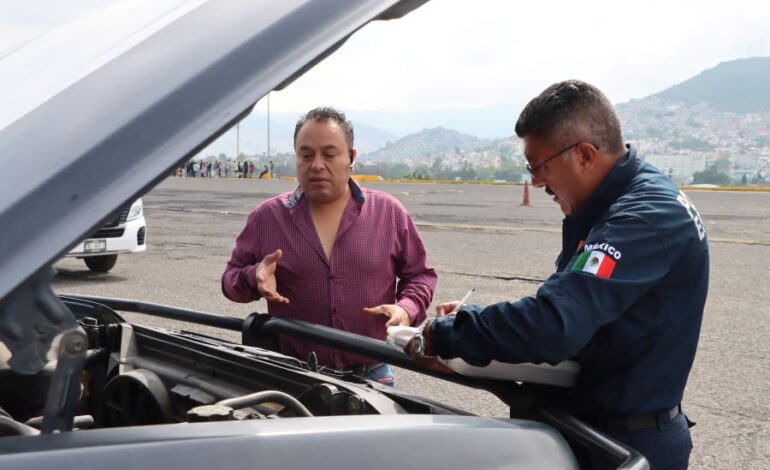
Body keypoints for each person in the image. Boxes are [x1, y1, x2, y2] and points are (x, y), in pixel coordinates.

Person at [407, 80, 708, 469]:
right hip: (597, 427)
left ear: (584, 155)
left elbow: (555, 325)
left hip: (621, 443)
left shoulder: (641, 219)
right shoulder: (610, 206)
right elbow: (580, 318)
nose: (535, 182)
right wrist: (473, 330)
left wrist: (445, 335)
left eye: (539, 166)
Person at [222, 106, 437, 386]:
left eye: (330, 154)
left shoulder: (389, 212)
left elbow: (420, 275)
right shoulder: (267, 218)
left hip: (372, 377)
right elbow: (230, 281)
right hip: (294, 377)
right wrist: (254, 276)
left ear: (351, 157)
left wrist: (406, 309)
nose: (317, 165)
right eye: (306, 155)